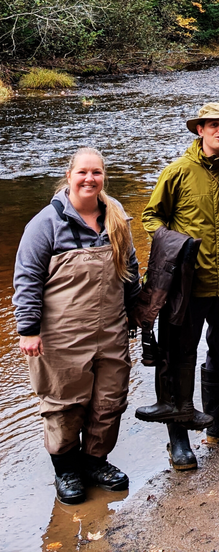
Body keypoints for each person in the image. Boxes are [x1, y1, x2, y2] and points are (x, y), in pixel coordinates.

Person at [141, 103, 219, 470]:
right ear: (200, 130)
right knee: (178, 358)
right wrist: (174, 244)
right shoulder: (178, 171)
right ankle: (178, 439)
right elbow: (151, 216)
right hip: (187, 285)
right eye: (213, 125)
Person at [14, 148, 139, 504]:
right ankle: (66, 471)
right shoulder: (45, 224)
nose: (90, 179)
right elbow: (27, 279)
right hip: (61, 335)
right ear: (69, 176)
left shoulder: (116, 217)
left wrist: (137, 312)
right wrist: (28, 329)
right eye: (83, 172)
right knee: (64, 405)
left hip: (112, 330)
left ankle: (95, 462)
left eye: (97, 173)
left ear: (104, 177)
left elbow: (130, 269)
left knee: (109, 401)